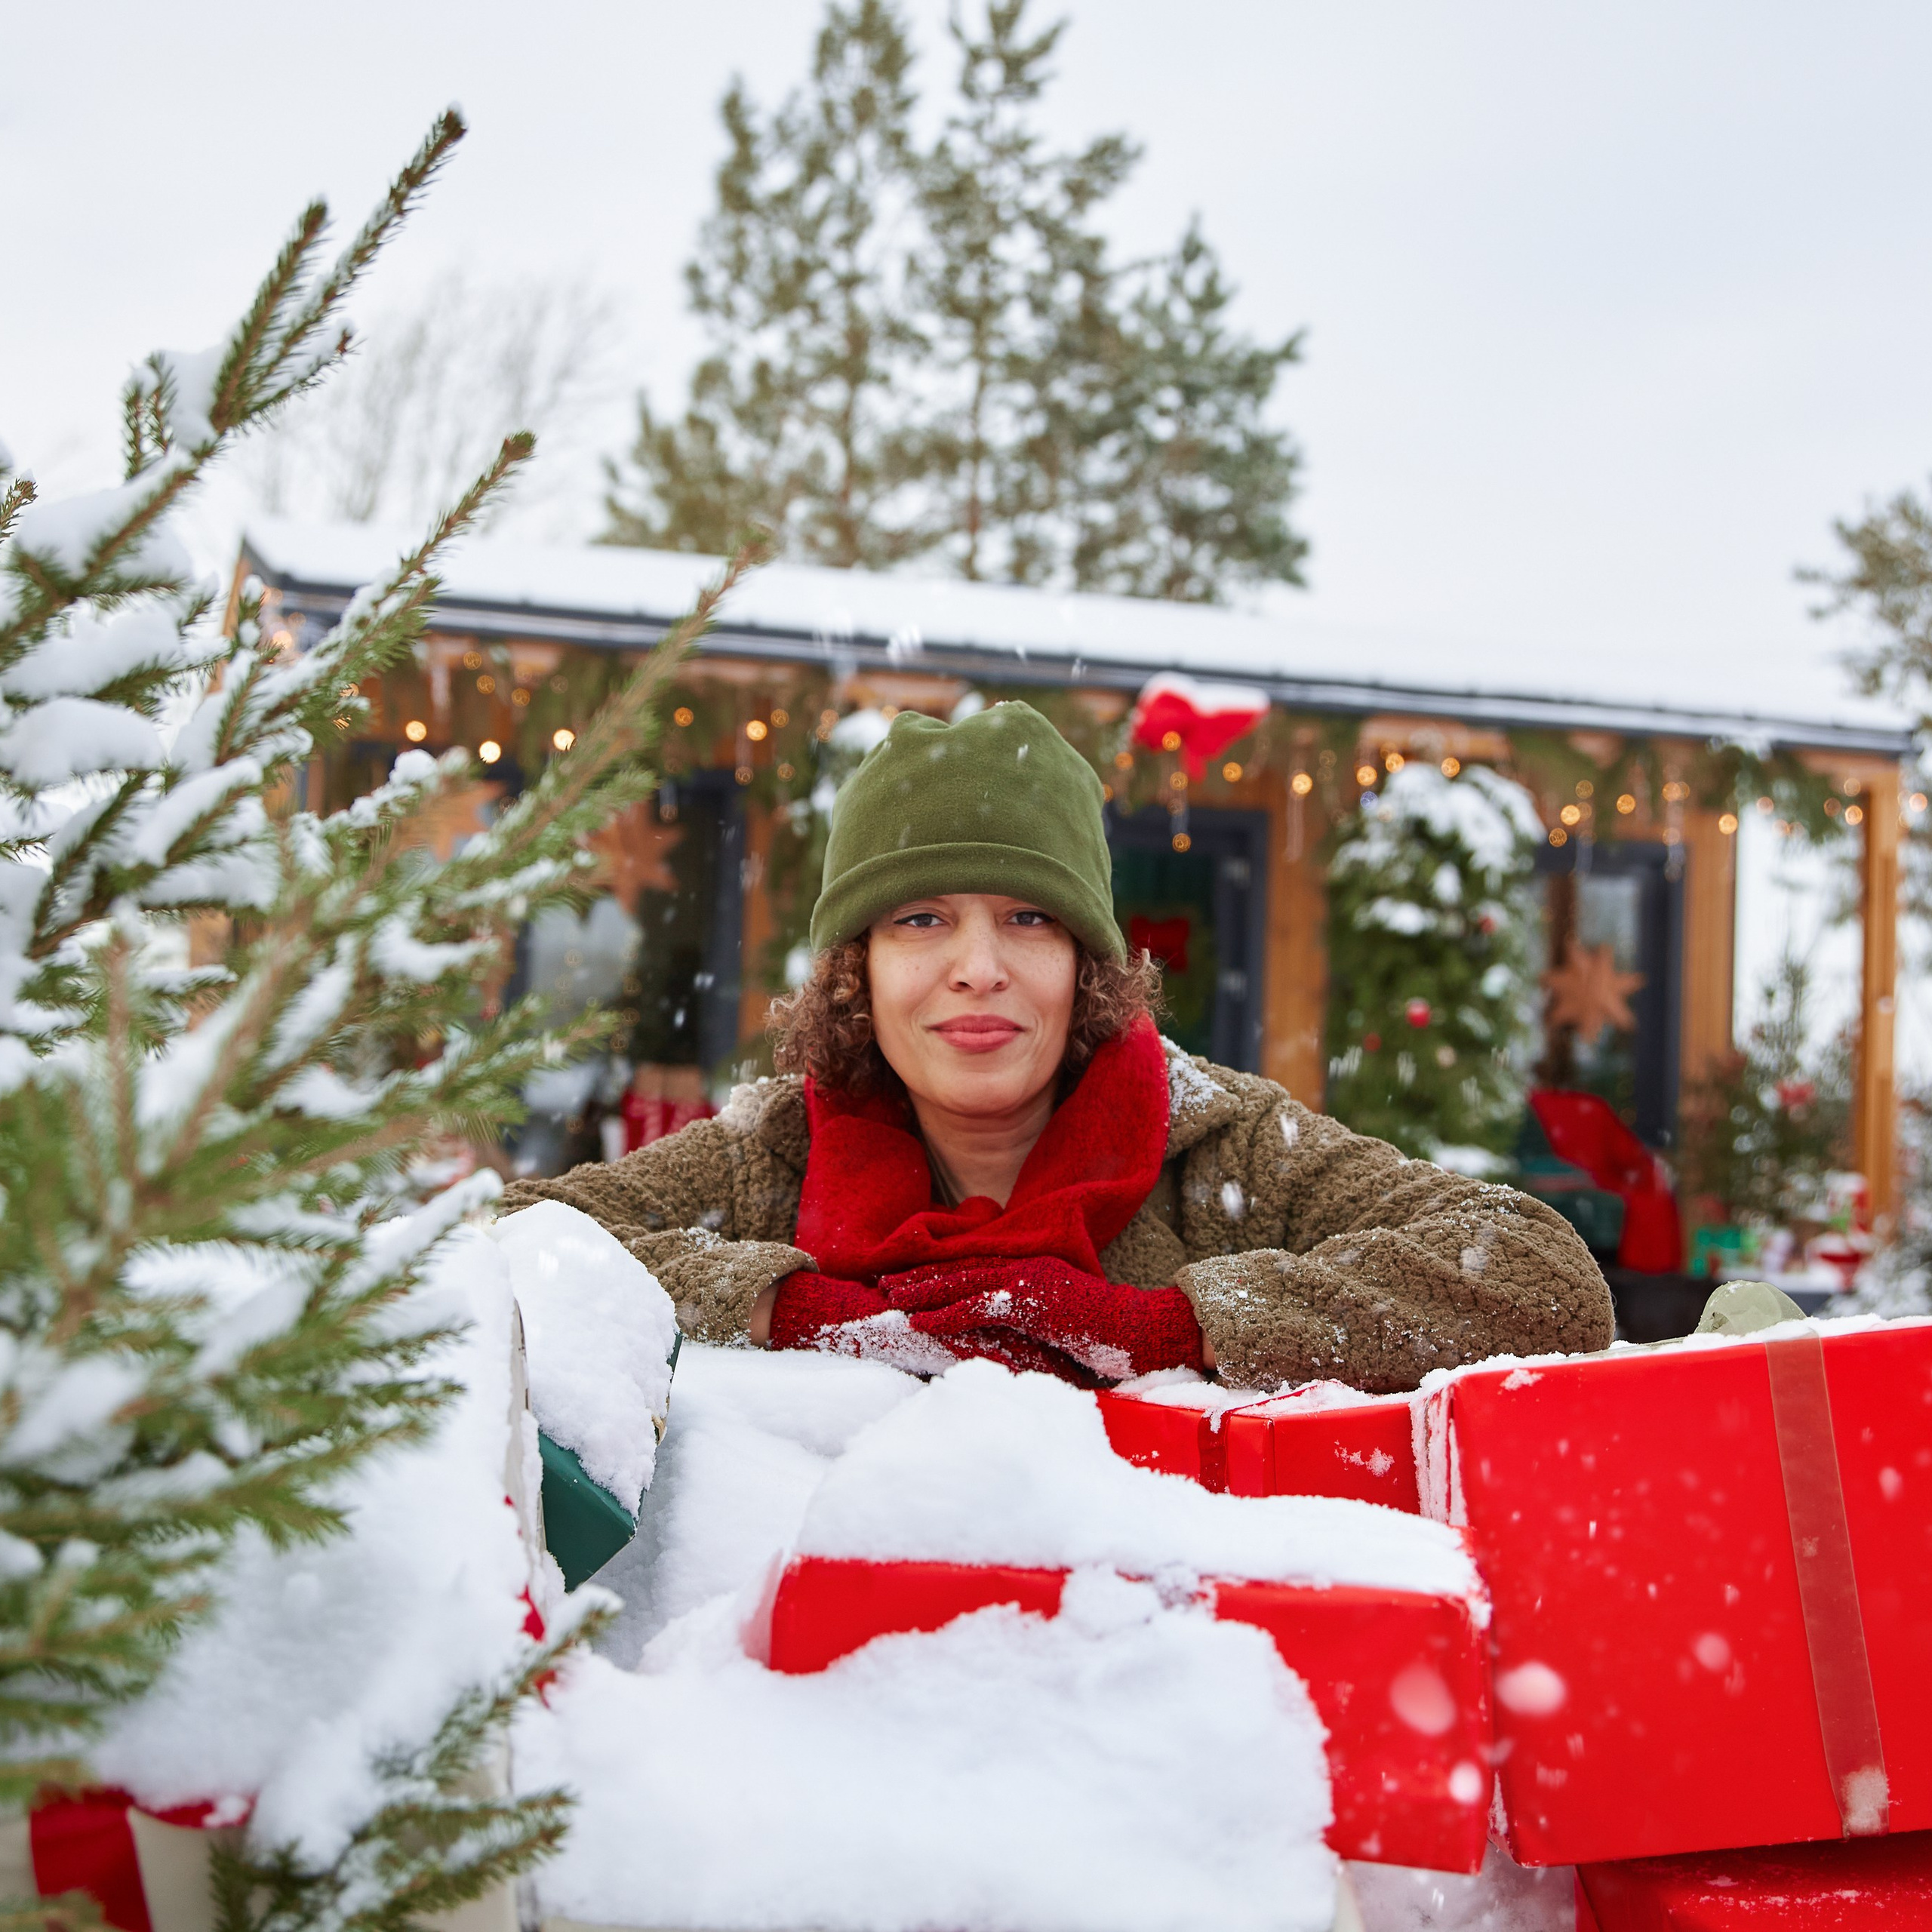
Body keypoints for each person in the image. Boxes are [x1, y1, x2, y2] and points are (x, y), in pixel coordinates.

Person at [501, 703, 1613, 1392]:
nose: (978, 967)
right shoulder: (771, 1151)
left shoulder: (1224, 1144)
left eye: (1029, 919)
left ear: (1090, 964)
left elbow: (1542, 1280)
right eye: (920, 919)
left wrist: (1165, 1326)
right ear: (859, 969)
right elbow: (508, 1244)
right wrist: (795, 1311)